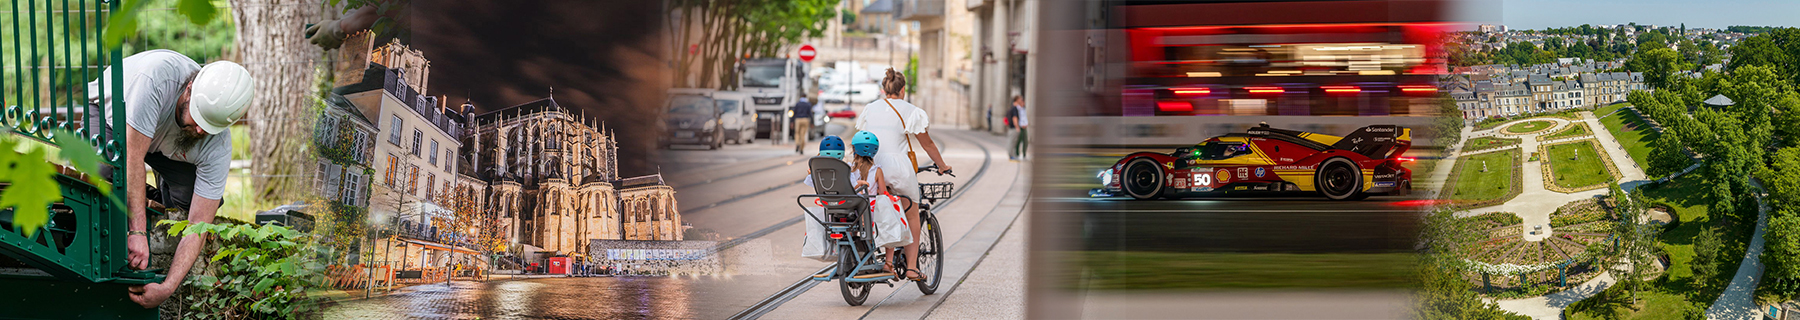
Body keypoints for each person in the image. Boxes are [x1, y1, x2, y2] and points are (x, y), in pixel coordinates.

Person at [87, 49, 256, 308]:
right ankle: (137, 212)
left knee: (189, 200)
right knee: (107, 175)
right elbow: (132, 160)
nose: (200, 130)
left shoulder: (216, 143)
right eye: (198, 118)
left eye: (209, 127)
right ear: (189, 89)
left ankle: (153, 204)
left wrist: (168, 287)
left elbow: (199, 225)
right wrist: (137, 232)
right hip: (112, 118)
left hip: (165, 144)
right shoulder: (155, 79)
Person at [855, 68, 952, 282]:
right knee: (911, 214)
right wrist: (942, 165)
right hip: (898, 168)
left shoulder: (870, 109)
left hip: (871, 166)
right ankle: (910, 268)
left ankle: (887, 263)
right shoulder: (911, 110)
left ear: (884, 89)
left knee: (885, 209)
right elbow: (927, 144)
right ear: (903, 90)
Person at [1008, 95, 1029, 161]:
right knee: (1015, 142)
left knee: (1024, 141)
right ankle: (1014, 155)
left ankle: (1023, 154)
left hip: (1023, 126)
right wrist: (1017, 127)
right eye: (1020, 99)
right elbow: (1015, 118)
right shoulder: (1015, 108)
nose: (1022, 101)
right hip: (1018, 127)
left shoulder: (1023, 108)